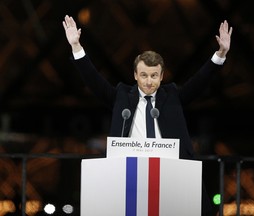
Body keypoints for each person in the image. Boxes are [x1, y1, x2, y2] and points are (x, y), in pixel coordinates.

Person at [63, 15, 232, 215]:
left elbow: (200, 80)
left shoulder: (173, 97)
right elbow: (93, 80)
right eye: (143, 75)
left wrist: (220, 53)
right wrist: (76, 47)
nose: (149, 81)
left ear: (161, 76)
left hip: (173, 176)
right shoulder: (121, 96)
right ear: (135, 75)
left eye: (154, 76)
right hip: (128, 177)